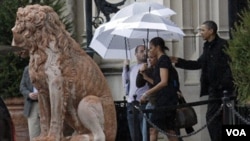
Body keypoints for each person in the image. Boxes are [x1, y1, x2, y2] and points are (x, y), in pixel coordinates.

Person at [171, 20, 235, 141]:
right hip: (213, 90)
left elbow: (229, 66)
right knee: (212, 119)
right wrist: (178, 61)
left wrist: (224, 83)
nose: (200, 33)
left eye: (202, 30)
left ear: (211, 31)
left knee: (222, 118)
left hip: (224, 89)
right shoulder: (207, 47)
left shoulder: (223, 45)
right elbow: (198, 64)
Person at [140, 37, 179, 141]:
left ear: (158, 47)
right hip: (166, 99)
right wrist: (146, 76)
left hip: (165, 101)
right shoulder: (161, 61)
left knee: (153, 129)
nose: (150, 50)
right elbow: (159, 82)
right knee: (169, 130)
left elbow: (164, 82)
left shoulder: (163, 60)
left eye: (151, 48)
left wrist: (146, 93)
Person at [122, 45, 149, 141]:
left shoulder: (148, 66)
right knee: (134, 135)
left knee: (145, 134)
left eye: (145, 51)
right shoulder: (132, 68)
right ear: (136, 54)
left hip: (143, 103)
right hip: (131, 104)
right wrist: (125, 67)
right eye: (141, 51)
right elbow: (125, 82)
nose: (144, 53)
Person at [19, 50, 41, 141]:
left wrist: (41, 94)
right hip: (32, 105)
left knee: (47, 133)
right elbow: (22, 86)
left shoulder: (47, 70)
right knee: (34, 134)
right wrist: (29, 94)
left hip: (45, 103)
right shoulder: (27, 69)